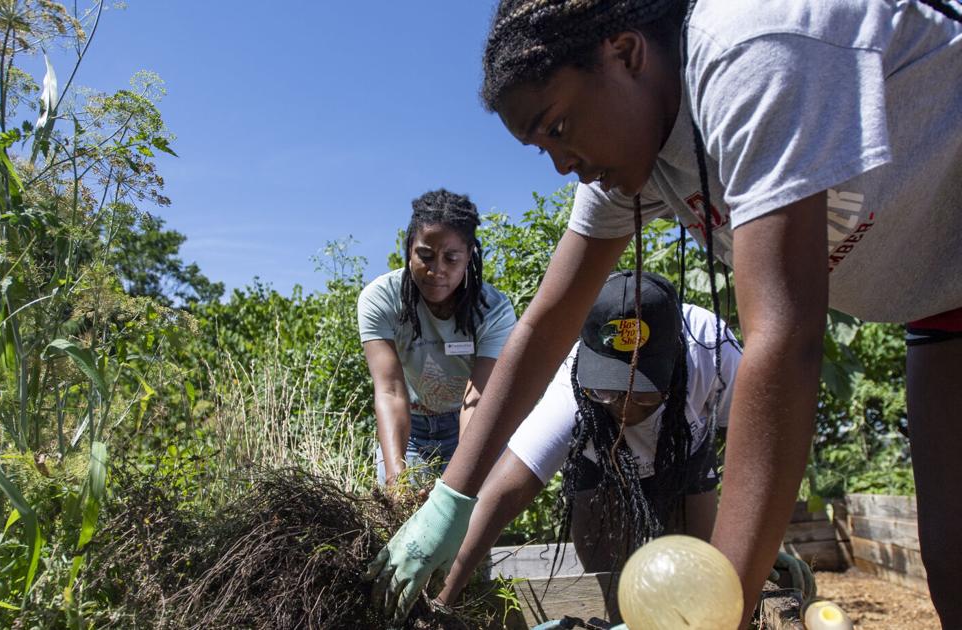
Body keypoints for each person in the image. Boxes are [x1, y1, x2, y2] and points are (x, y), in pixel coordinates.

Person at [367, 1, 962, 627]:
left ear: (625, 54)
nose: (563, 164)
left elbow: (784, 339)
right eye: (541, 148)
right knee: (950, 556)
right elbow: (546, 326)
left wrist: (718, 599)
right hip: (940, 312)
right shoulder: (633, 156)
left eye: (560, 127)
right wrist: (450, 500)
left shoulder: (750, 52)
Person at [435, 272, 809, 620]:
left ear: (676, 367)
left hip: (683, 456)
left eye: (644, 397)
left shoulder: (714, 354)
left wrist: (755, 543)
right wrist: (438, 603)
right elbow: (504, 494)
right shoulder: (574, 390)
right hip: (600, 462)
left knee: (700, 574)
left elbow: (766, 453)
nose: (625, 408)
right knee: (613, 587)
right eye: (608, 392)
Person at [358, 189, 516, 488]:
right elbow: (390, 391)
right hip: (412, 428)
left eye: (451, 258)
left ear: (469, 255)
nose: (437, 270)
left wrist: (459, 486)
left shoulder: (493, 310)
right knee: (400, 516)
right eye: (426, 256)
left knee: (471, 514)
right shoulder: (381, 299)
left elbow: (477, 400)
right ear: (409, 249)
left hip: (469, 425)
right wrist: (396, 479)